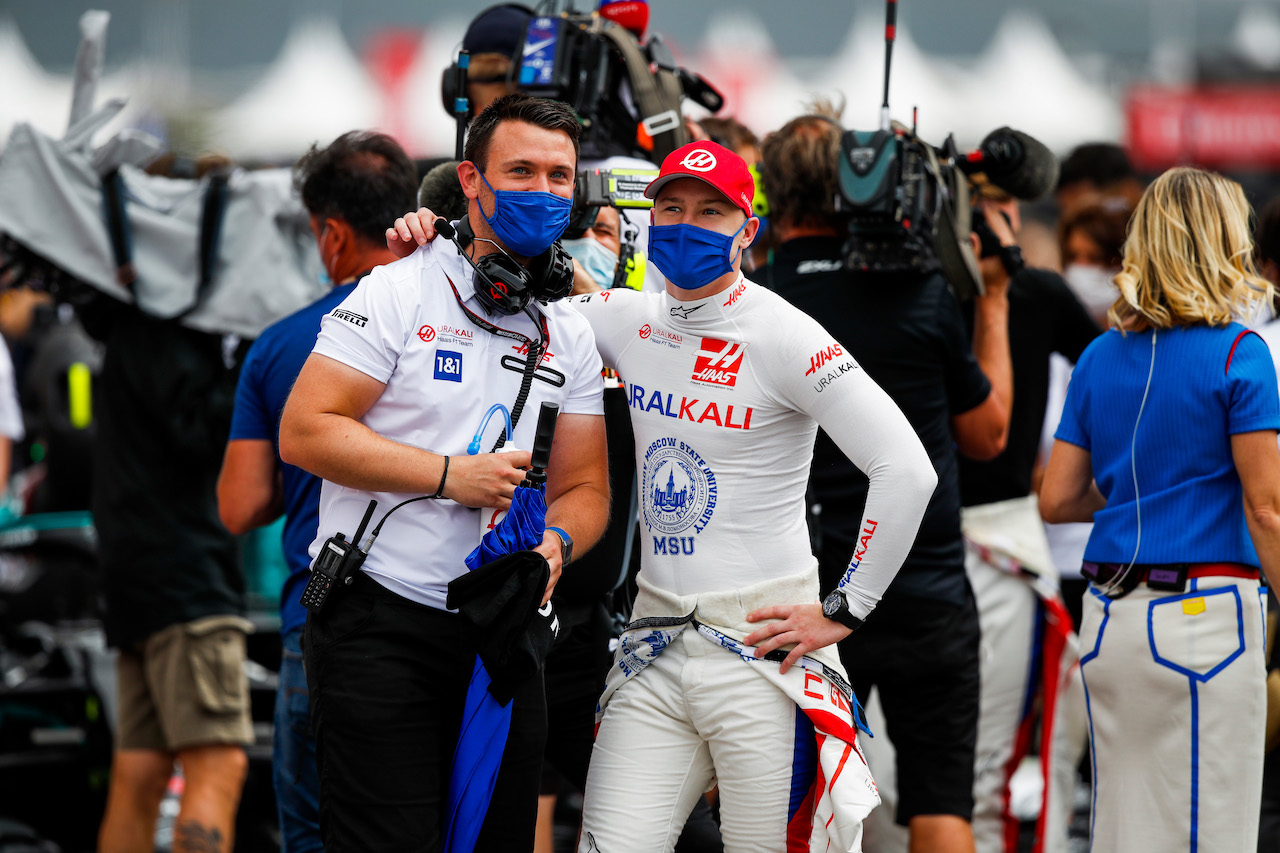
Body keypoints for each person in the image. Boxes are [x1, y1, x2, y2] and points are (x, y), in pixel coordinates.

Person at [278, 94, 610, 852]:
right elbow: (304, 430)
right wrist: (447, 475)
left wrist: (555, 544)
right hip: (379, 624)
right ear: (470, 179)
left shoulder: (569, 329)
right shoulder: (399, 287)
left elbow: (587, 490)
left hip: (503, 630)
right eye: (520, 170)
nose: (544, 190)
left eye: (560, 177)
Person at [756, 112, 1015, 853]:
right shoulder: (924, 293)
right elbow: (989, 435)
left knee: (804, 805)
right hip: (926, 586)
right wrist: (990, 297)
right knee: (941, 802)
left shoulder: (756, 303)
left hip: (803, 595)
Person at [1040, 166, 1280, 853]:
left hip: (1112, 616)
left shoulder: (1098, 355)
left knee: (1123, 829)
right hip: (1206, 614)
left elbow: (1057, 498)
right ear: (1225, 243)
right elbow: (1267, 510)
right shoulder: (1241, 352)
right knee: (1213, 832)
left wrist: (1142, 493)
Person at [215, 130, 417, 853]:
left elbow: (240, 505)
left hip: (324, 612)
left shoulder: (281, 344)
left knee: (315, 831)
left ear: (331, 233)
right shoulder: (463, 317)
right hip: (447, 612)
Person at [955, 186, 1100, 853]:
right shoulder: (917, 281)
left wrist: (1074, 473)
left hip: (1007, 535)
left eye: (1002, 210)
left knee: (1000, 756)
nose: (991, 226)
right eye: (978, 209)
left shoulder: (1037, 292)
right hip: (915, 534)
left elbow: (1110, 369)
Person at [93, 281, 253, 853]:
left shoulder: (126, 330)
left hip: (134, 577)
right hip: (188, 582)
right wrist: (248, 364)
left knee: (140, 772)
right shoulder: (173, 332)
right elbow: (204, 431)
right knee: (219, 763)